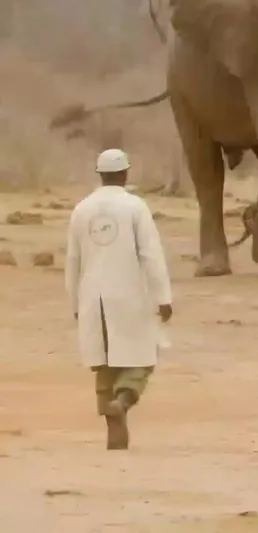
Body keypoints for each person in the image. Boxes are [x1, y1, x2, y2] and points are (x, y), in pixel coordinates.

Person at [65, 148, 173, 451]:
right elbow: (151, 254)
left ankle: (110, 414)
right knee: (142, 358)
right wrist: (163, 297)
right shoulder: (135, 207)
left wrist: (75, 304)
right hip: (129, 296)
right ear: (125, 174)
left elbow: (72, 261)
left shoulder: (82, 209)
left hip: (91, 297)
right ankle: (123, 402)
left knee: (104, 361)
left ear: (99, 175)